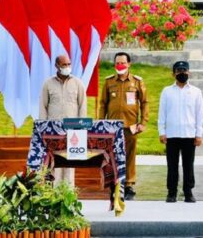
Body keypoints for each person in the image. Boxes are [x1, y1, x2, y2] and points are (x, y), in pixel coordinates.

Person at [98, 52, 149, 200]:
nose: (120, 65)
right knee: (113, 156)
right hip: (112, 127)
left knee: (130, 155)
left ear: (129, 64)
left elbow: (145, 103)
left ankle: (129, 185)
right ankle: (115, 184)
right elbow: (103, 104)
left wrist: (143, 122)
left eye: (123, 63)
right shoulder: (109, 82)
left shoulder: (137, 82)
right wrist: (101, 123)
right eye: (117, 63)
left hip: (130, 126)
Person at [157, 60, 203, 203]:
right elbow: (162, 113)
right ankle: (171, 193)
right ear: (173, 74)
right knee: (172, 165)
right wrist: (162, 131)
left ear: (189, 72)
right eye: (179, 71)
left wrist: (199, 134)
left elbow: (200, 114)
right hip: (172, 134)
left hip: (189, 134)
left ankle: (188, 192)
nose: (182, 73)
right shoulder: (167, 91)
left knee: (188, 165)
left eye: (184, 70)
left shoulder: (196, 92)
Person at [39, 54, 87, 186]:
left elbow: (82, 106)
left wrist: (81, 130)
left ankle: (69, 195)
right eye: (64, 65)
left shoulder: (78, 83)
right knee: (54, 164)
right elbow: (43, 106)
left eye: (68, 64)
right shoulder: (48, 84)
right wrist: (43, 129)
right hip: (53, 132)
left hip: (73, 132)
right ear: (57, 66)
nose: (67, 67)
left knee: (70, 165)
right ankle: (54, 195)